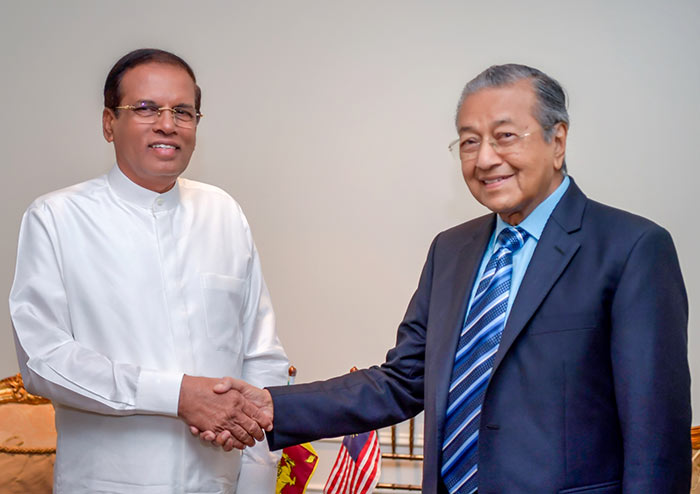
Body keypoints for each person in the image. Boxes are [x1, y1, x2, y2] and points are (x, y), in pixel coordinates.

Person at [208, 64, 692, 493]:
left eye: (505, 136)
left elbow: (656, 433)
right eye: (469, 140)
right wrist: (271, 406)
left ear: (557, 141)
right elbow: (403, 380)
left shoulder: (632, 248)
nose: (484, 159)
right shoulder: (451, 249)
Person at [9, 48, 289, 494]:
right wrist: (175, 395)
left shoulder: (223, 213)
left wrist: (257, 474)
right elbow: (46, 360)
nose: (167, 124)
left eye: (183, 111)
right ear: (108, 123)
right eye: (144, 109)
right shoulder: (56, 217)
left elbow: (261, 355)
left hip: (219, 483)